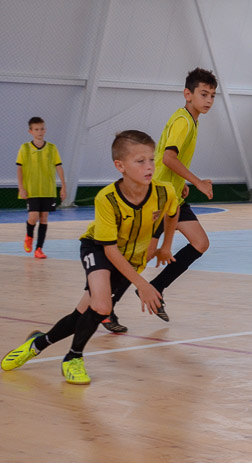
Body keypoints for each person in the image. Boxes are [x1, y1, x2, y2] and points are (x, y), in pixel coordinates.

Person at [1, 130, 179, 384]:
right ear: (121, 166)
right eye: (140, 161)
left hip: (131, 260)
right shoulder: (107, 198)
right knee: (103, 306)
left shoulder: (165, 191)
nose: (149, 166)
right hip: (99, 249)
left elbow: (172, 214)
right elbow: (109, 250)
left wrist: (165, 246)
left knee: (84, 313)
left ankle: (37, 344)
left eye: (151, 159)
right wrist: (142, 283)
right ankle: (73, 358)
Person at [101, 68, 217, 333]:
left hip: (172, 195)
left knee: (200, 243)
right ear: (188, 94)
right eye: (203, 94)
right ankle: (106, 307)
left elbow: (170, 163)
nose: (208, 99)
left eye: (212, 95)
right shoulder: (183, 121)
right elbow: (168, 157)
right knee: (143, 256)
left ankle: (158, 287)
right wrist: (197, 181)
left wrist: (182, 184)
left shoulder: (191, 119)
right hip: (158, 198)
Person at [16, 117, 67, 259]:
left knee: (44, 218)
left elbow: (59, 167)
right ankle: (29, 235)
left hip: (48, 190)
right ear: (30, 131)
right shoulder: (25, 148)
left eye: (42, 129)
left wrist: (63, 187)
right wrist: (21, 187)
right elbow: (19, 169)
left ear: (45, 130)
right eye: (36, 129)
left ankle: (39, 249)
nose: (40, 132)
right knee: (33, 217)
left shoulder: (52, 148)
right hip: (31, 190)